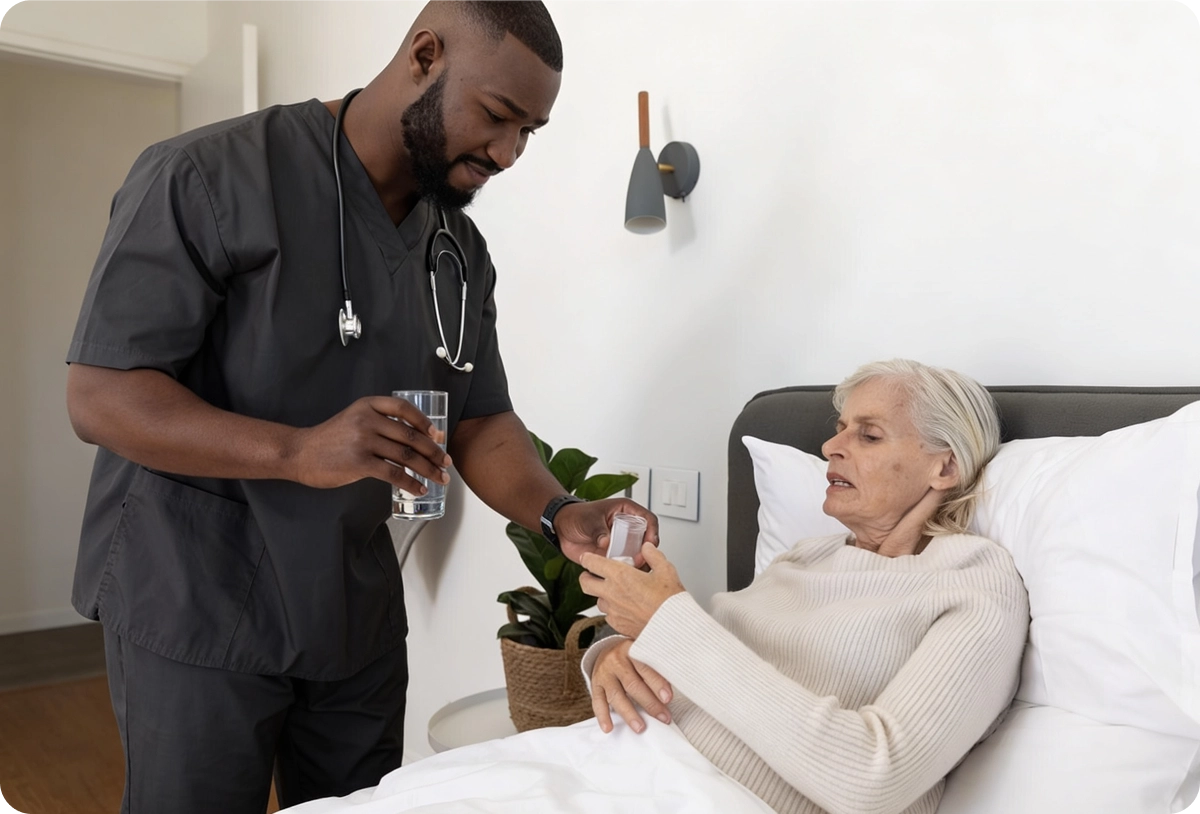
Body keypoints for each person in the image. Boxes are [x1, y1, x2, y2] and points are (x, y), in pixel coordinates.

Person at [63, 1, 656, 812]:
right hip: (194, 595)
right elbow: (102, 395)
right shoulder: (209, 175)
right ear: (424, 54)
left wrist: (558, 511)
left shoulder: (456, 248)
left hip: (351, 610)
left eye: (531, 132)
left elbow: (479, 418)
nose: (510, 152)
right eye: (496, 117)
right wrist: (298, 452)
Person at [580, 359, 1029, 814]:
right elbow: (707, 663)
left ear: (945, 467)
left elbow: (872, 780)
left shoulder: (973, 583)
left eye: (869, 435)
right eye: (840, 428)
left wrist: (668, 623)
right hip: (613, 768)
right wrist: (620, 654)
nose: (831, 445)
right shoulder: (804, 556)